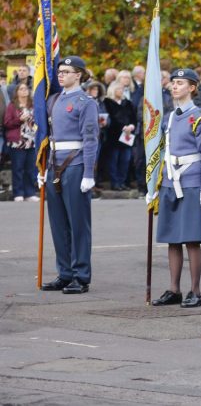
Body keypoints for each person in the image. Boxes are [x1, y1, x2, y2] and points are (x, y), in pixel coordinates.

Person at [149, 68, 201, 308]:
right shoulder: (169, 117)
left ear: (192, 88)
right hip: (169, 181)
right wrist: (155, 183)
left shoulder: (200, 117)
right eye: (173, 83)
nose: (174, 86)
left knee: (191, 239)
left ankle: (195, 291)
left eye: (180, 83)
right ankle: (173, 289)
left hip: (190, 182)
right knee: (172, 238)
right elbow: (162, 151)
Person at [40, 56, 99, 294]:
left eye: (66, 71)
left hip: (74, 164)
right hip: (54, 163)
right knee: (58, 223)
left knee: (77, 223)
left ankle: (81, 275)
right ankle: (64, 273)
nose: (60, 75)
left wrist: (88, 172)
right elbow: (45, 135)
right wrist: (42, 168)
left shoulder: (86, 102)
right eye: (59, 71)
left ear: (79, 75)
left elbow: (91, 138)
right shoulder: (53, 100)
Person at [4, 82, 38, 202]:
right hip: (17, 142)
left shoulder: (33, 105)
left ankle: (30, 193)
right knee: (18, 168)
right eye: (21, 89)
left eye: (26, 89)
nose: (24, 91)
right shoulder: (12, 106)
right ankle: (18, 193)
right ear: (17, 92)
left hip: (31, 141)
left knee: (30, 169)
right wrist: (19, 119)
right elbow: (7, 123)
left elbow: (37, 123)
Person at [103, 81, 137, 190]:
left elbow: (133, 117)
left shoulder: (127, 103)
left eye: (122, 89)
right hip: (113, 136)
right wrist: (122, 127)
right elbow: (110, 118)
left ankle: (122, 182)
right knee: (113, 160)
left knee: (125, 160)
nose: (121, 91)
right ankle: (115, 183)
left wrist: (131, 126)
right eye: (119, 89)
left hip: (127, 137)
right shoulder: (107, 102)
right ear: (113, 90)